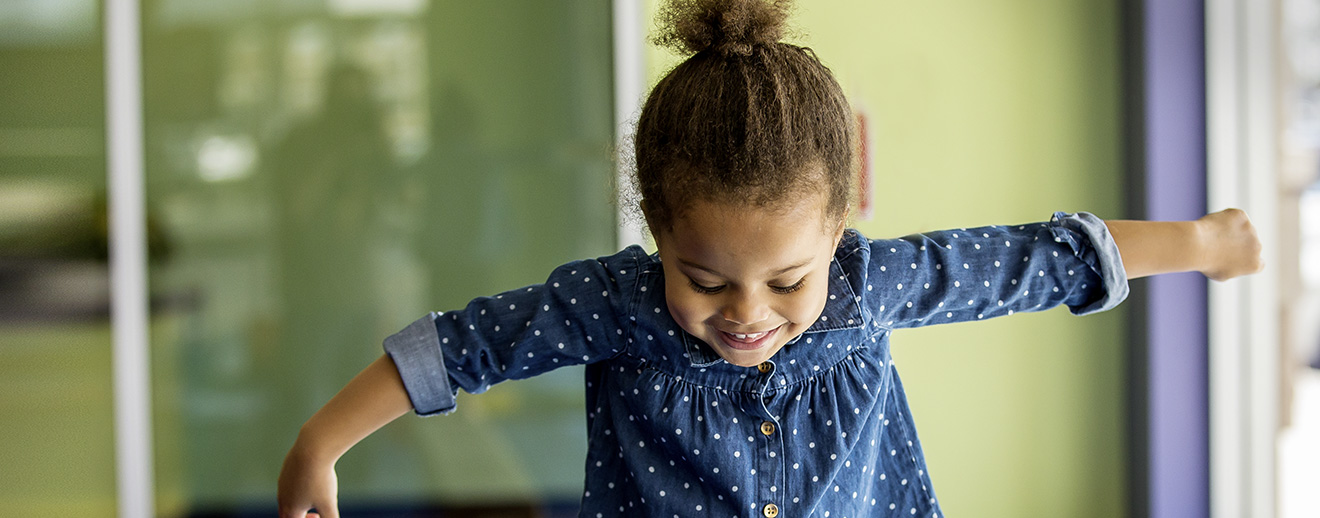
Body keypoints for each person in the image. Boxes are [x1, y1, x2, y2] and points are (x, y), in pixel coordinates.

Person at [277, 1, 1264, 516]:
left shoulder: (870, 286)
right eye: (704, 279)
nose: (748, 311)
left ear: (837, 233)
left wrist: (1204, 242)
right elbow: (466, 345)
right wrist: (320, 442)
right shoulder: (616, 306)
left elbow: (1030, 260)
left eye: (789, 278)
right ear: (658, 233)